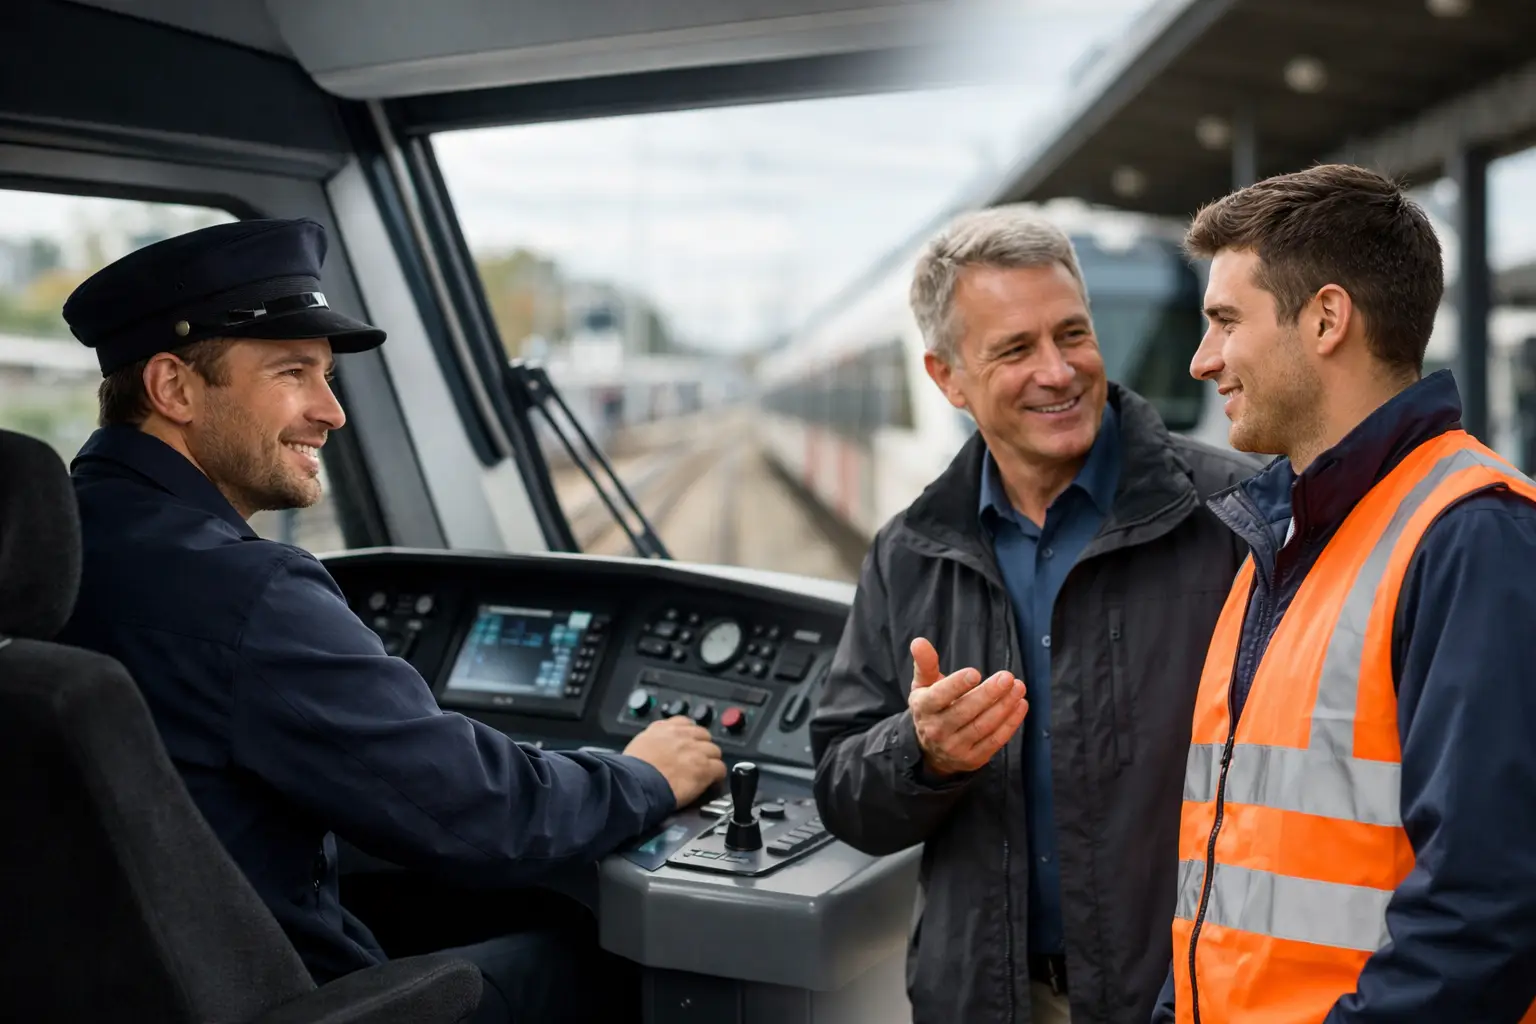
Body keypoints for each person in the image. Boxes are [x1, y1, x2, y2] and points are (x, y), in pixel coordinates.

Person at [53, 218, 726, 1023]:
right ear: (174, 389)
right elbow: (485, 814)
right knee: (594, 954)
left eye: (328, 376)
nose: (331, 412)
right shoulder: (246, 590)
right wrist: (646, 773)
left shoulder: (56, 552)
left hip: (115, 983)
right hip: (272, 995)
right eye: (294, 372)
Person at [808, 206, 1260, 1024]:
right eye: (1015, 349)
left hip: (1186, 997)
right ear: (947, 377)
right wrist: (922, 753)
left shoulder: (1233, 518)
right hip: (986, 999)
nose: (1059, 371)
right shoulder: (908, 551)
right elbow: (842, 788)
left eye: (1072, 335)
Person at [1149, 163, 1536, 1024]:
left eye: (1224, 321)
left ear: (1326, 318)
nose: (1202, 359)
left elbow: (1487, 909)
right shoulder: (1283, 536)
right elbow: (1228, 859)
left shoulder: (1473, 537)